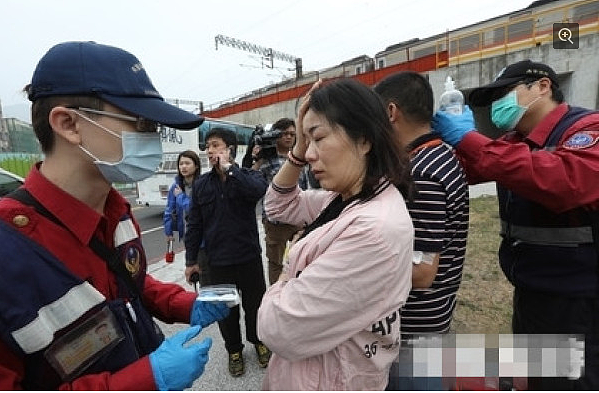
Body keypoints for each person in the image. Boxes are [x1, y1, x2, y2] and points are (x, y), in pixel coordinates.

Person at [0, 41, 230, 390]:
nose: (153, 138)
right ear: (68, 124)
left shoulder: (116, 211)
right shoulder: (8, 250)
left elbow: (126, 285)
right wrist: (142, 381)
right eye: (140, 122)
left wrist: (186, 305)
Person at [432, 59, 599, 390]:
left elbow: (563, 181)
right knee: (538, 377)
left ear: (542, 86)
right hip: (531, 290)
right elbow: (470, 168)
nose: (497, 105)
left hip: (578, 298)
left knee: (570, 382)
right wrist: (439, 143)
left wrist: (468, 137)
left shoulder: (585, 129)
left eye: (505, 93)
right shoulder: (512, 142)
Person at [257, 78, 415, 390]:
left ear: (364, 139)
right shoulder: (342, 198)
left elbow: (277, 328)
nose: (310, 155)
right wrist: (298, 149)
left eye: (318, 138)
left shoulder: (372, 230)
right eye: (306, 142)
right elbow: (277, 206)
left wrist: (288, 271)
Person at [375, 71, 469, 390]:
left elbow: (423, 270)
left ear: (390, 112)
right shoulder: (438, 154)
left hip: (416, 327)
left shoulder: (423, 172)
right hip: (431, 317)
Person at [184, 127, 271, 377]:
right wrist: (191, 261)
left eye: (215, 145)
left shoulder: (247, 176)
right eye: (208, 146)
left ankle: (259, 341)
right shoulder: (201, 185)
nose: (210, 151)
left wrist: (230, 170)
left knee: (255, 305)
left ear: (229, 149)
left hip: (248, 257)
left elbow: (258, 192)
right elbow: (195, 225)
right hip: (217, 261)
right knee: (226, 311)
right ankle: (234, 350)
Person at [252, 118, 303, 285]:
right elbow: (251, 181)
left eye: (292, 134)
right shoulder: (266, 159)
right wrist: (257, 160)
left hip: (298, 218)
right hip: (276, 222)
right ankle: (276, 296)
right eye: (284, 134)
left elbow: (305, 187)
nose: (289, 137)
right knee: (276, 263)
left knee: (300, 260)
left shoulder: (300, 157)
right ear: (275, 135)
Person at [163, 150, 210, 283]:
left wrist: (181, 197)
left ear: (196, 166)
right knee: (192, 272)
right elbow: (169, 210)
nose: (183, 167)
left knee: (203, 271)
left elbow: (195, 209)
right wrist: (168, 231)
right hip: (187, 235)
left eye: (187, 163)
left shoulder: (202, 184)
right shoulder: (176, 186)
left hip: (202, 237)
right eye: (181, 164)